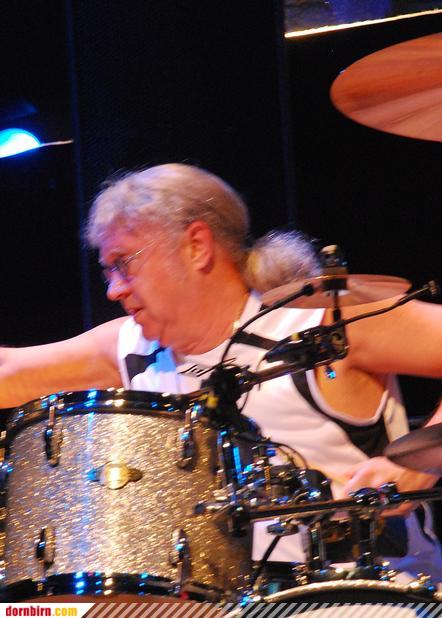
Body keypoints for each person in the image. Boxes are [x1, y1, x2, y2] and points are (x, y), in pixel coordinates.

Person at [0, 163, 442, 584]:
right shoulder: (130, 348)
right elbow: (9, 372)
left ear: (196, 245)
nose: (114, 289)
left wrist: (421, 461)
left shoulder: (324, 321)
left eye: (125, 263)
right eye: (108, 272)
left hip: (371, 594)